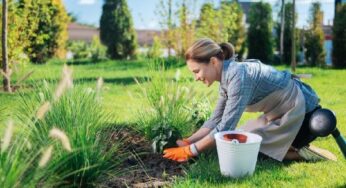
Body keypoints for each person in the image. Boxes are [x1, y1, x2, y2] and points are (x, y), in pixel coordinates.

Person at [162, 38, 337, 163]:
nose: (196, 78)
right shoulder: (225, 80)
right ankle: (291, 148)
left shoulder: (238, 76)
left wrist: (190, 151)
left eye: (196, 71)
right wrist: (189, 141)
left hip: (304, 114)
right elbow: (215, 120)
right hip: (280, 113)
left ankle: (300, 152)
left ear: (213, 62)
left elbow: (225, 127)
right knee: (242, 140)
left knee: (251, 150)